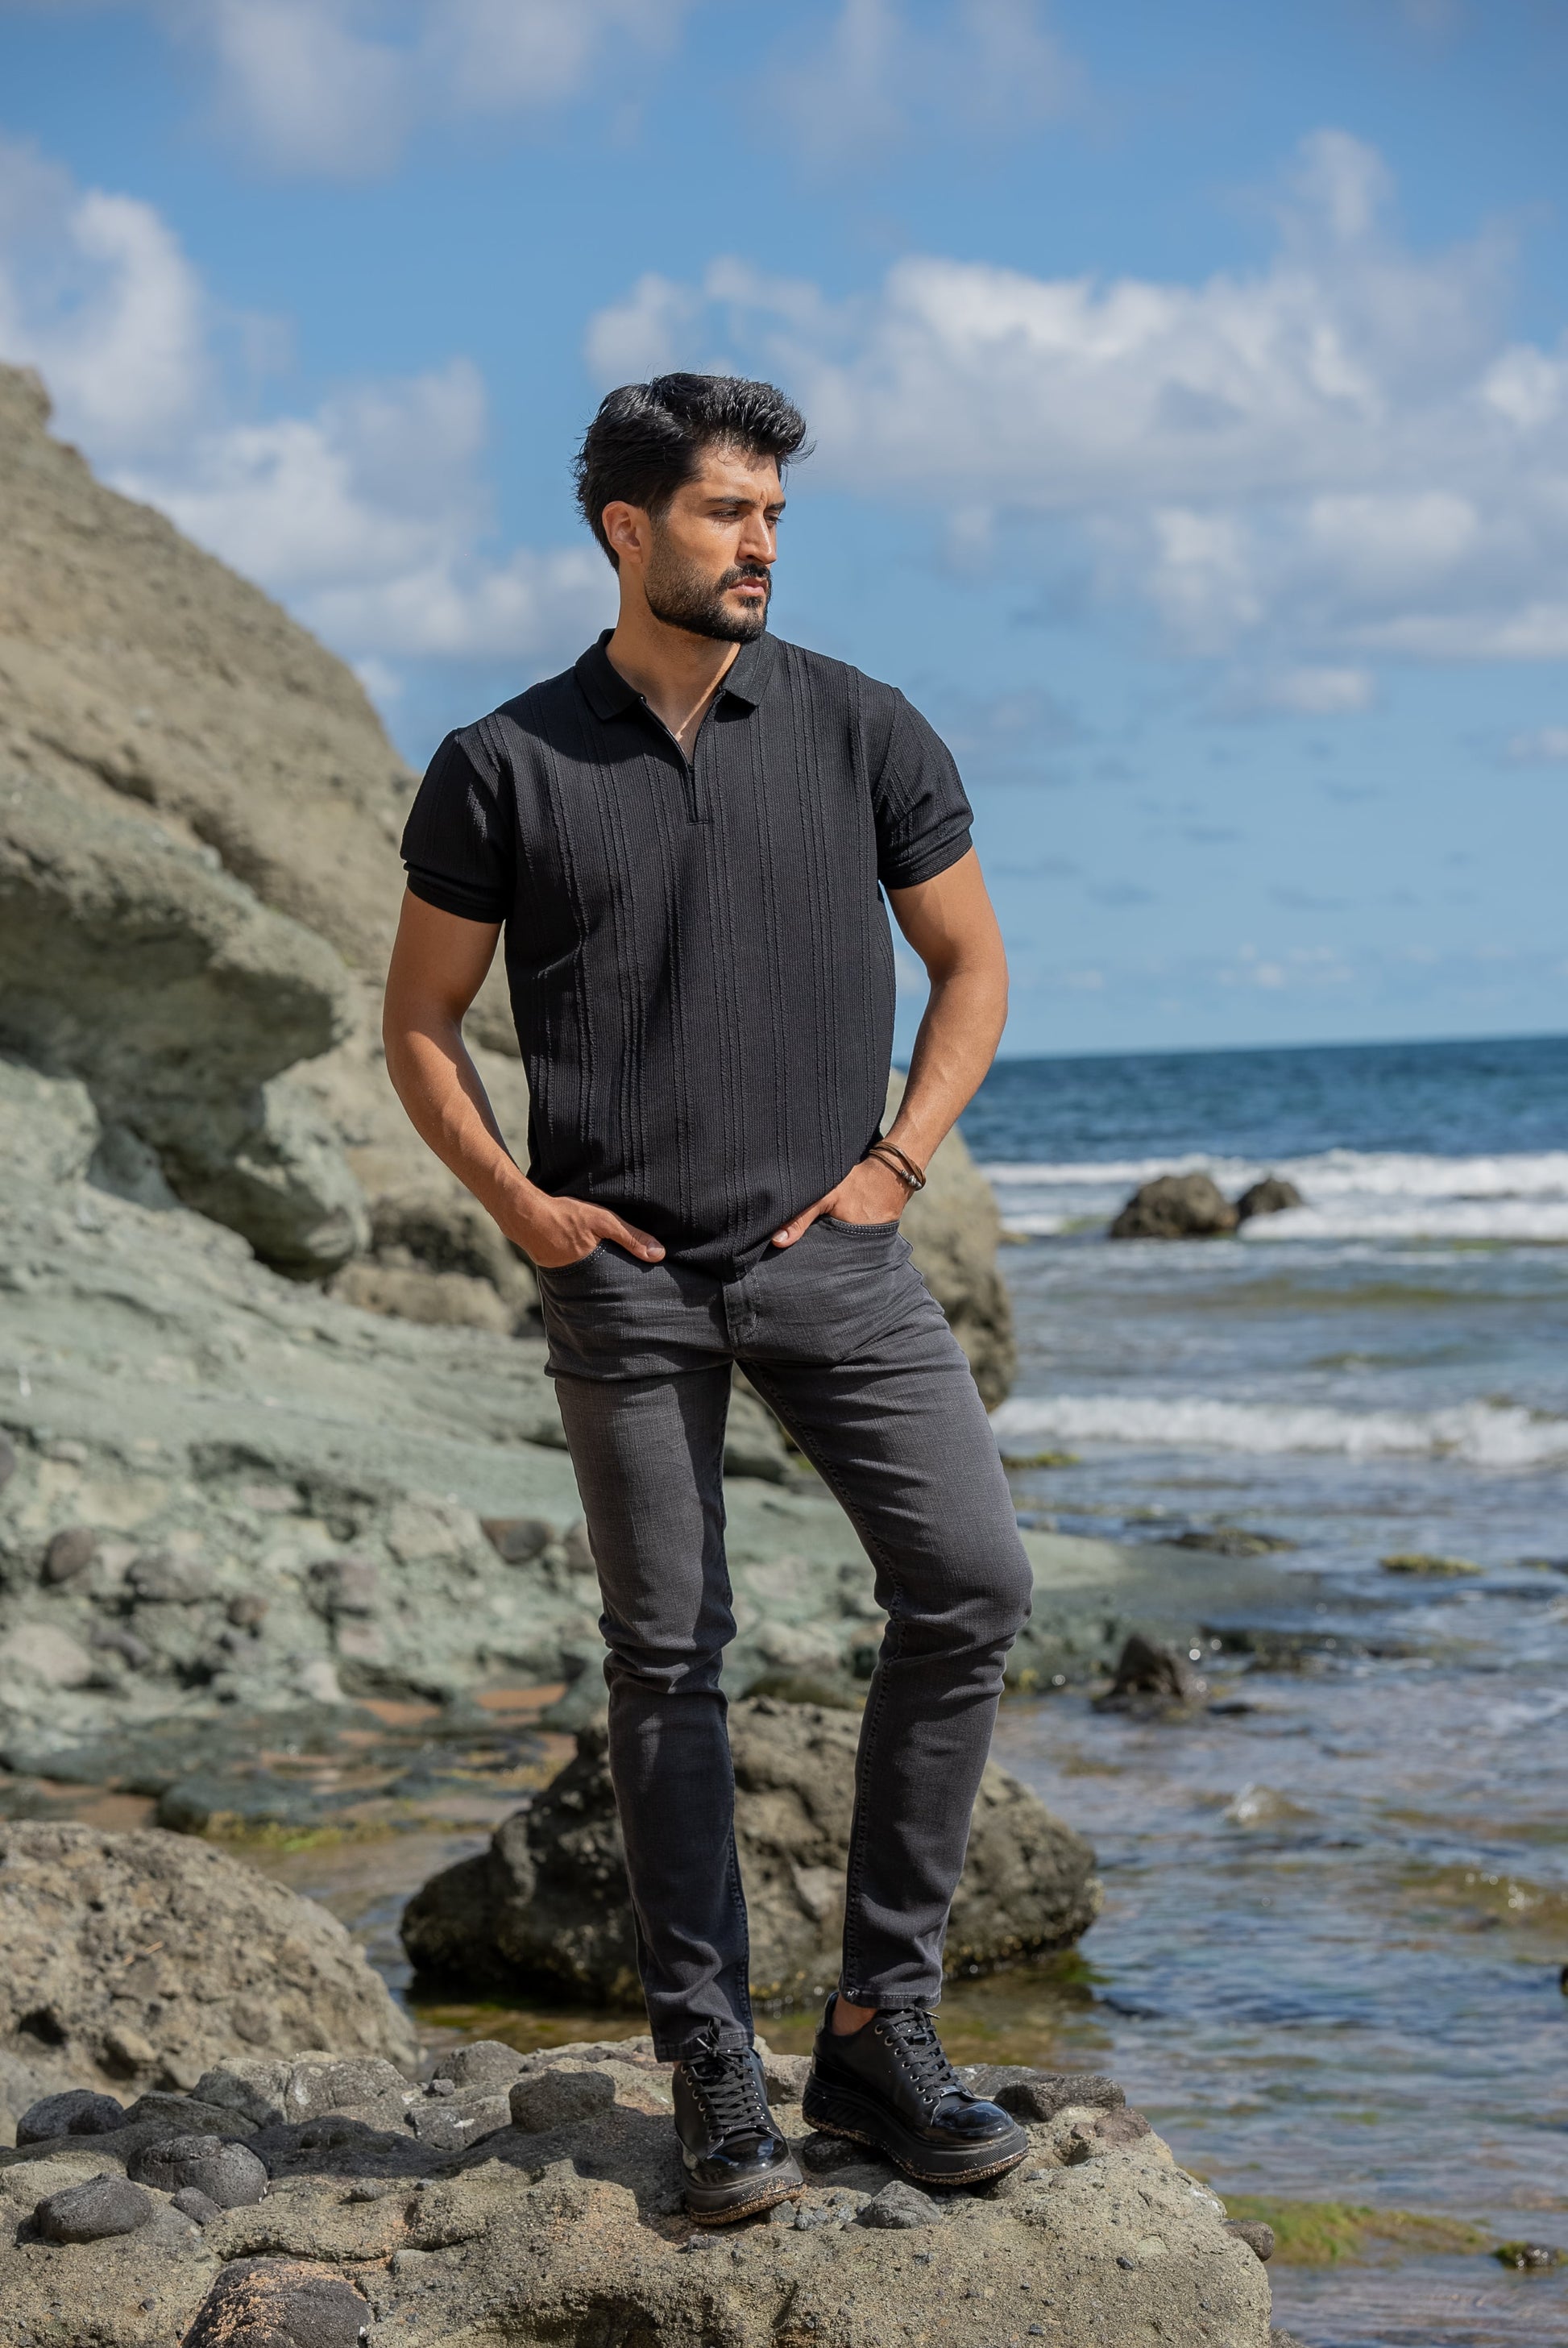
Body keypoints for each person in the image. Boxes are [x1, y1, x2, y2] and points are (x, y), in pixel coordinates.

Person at [384, 372, 1034, 2223]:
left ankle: (876, 2028)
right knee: (667, 1655)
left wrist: (895, 1164)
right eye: (725, 512)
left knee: (972, 1581)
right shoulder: (501, 760)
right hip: (626, 1283)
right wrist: (519, 1201)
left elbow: (972, 964)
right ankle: (712, 2068)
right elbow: (419, 1019)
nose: (759, 544)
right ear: (624, 528)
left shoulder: (859, 724)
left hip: (834, 1255)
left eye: (773, 516)